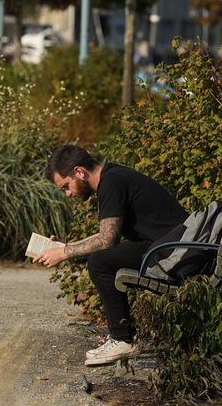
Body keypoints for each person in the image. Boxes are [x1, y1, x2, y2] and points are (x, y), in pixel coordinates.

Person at [35, 145, 188, 367]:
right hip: (167, 245)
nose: (68, 194)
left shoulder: (112, 183)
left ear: (79, 172)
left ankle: (123, 339)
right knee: (103, 258)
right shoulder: (113, 177)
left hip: (173, 251)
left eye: (66, 186)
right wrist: (63, 246)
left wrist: (65, 252)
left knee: (100, 262)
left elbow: (106, 241)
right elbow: (105, 235)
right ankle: (121, 336)